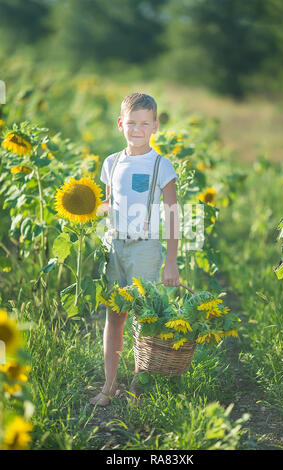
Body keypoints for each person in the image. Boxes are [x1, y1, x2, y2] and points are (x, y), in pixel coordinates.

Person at [89, 93, 180, 406]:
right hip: (115, 245)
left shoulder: (161, 165)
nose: (137, 129)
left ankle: (138, 390)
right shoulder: (111, 163)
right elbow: (110, 203)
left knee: (145, 318)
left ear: (155, 126)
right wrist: (85, 207)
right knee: (114, 316)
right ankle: (110, 385)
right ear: (120, 124)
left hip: (145, 249)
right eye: (131, 123)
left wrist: (171, 262)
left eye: (144, 123)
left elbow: (172, 213)